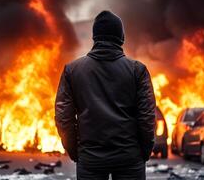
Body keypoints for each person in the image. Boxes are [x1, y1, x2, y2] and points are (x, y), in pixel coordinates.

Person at [55, 11, 156, 180]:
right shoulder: (137, 70)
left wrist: (75, 152)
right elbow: (146, 117)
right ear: (121, 37)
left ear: (95, 37)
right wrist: (144, 152)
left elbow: (64, 118)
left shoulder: (72, 71)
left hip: (90, 159)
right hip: (129, 158)